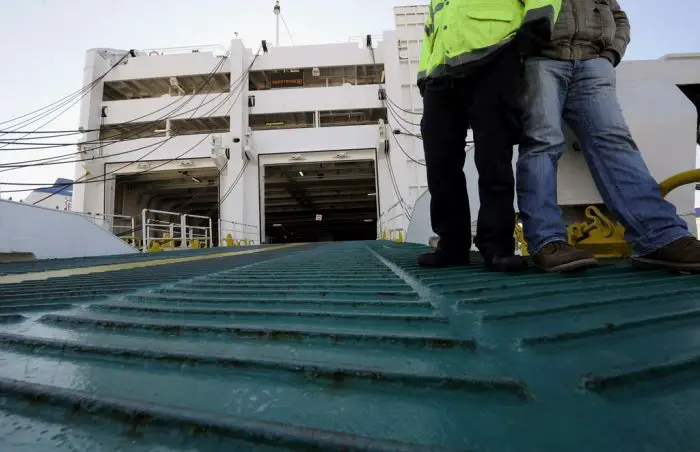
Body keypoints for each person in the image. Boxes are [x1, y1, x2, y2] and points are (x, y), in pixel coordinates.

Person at [517, 0, 700, 273]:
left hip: (593, 64)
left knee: (616, 144)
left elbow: (619, 19)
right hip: (540, 60)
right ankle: (547, 241)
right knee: (542, 143)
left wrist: (611, 54)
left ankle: (661, 237)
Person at [416, 0, 561, 271]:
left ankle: (496, 246)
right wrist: (424, 76)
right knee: (440, 163)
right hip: (440, 74)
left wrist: (538, 22)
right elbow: (431, 32)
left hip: (494, 56)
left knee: (493, 157)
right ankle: (452, 244)